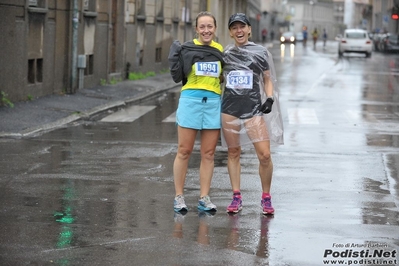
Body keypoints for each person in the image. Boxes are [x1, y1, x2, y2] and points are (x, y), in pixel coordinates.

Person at [221, 13, 284, 215]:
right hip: (229, 108)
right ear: (230, 32)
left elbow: (268, 78)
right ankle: (236, 197)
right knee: (233, 152)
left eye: (242, 27)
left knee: (265, 155)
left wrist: (270, 98)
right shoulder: (225, 54)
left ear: (249, 29)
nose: (239, 31)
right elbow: (218, 78)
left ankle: (266, 198)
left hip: (253, 108)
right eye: (234, 28)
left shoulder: (260, 52)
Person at [168, 11, 224, 213]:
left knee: (208, 153)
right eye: (202, 27)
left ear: (215, 29)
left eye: (210, 26)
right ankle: (179, 197)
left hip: (213, 102)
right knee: (184, 151)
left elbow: (222, 77)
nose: (206, 30)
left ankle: (204, 197)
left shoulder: (220, 51)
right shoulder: (187, 49)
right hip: (191, 101)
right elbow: (177, 75)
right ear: (197, 29)